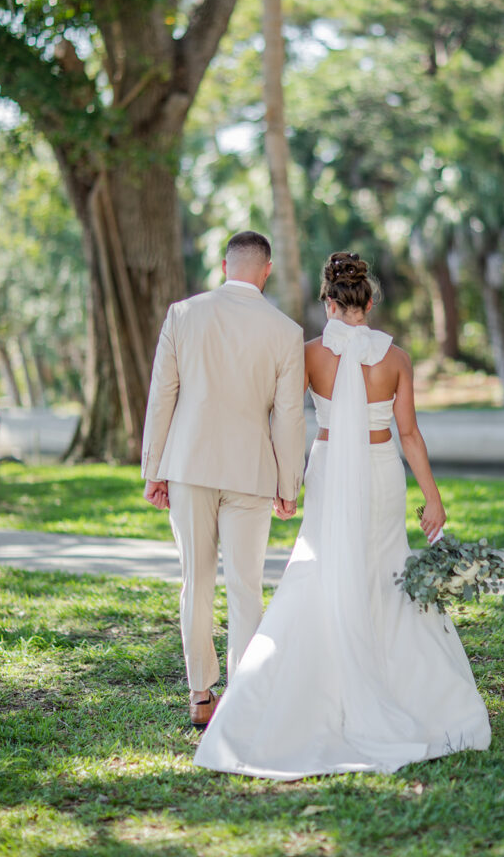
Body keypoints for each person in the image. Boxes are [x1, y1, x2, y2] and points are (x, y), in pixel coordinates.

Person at [194, 251, 491, 778]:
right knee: (384, 570)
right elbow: (410, 435)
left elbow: (283, 417)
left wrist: (283, 483)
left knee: (325, 565)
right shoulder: (396, 359)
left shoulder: (308, 353)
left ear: (328, 302)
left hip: (329, 467)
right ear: (370, 301)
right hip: (381, 472)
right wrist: (434, 496)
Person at [141, 231, 305, 730]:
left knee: (197, 580)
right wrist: (288, 483)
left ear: (222, 265)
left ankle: (199, 694)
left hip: (189, 465)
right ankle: (246, 696)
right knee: (245, 584)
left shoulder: (183, 315)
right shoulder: (285, 330)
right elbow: (289, 416)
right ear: (267, 269)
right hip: (252, 471)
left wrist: (154, 469)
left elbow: (162, 396)